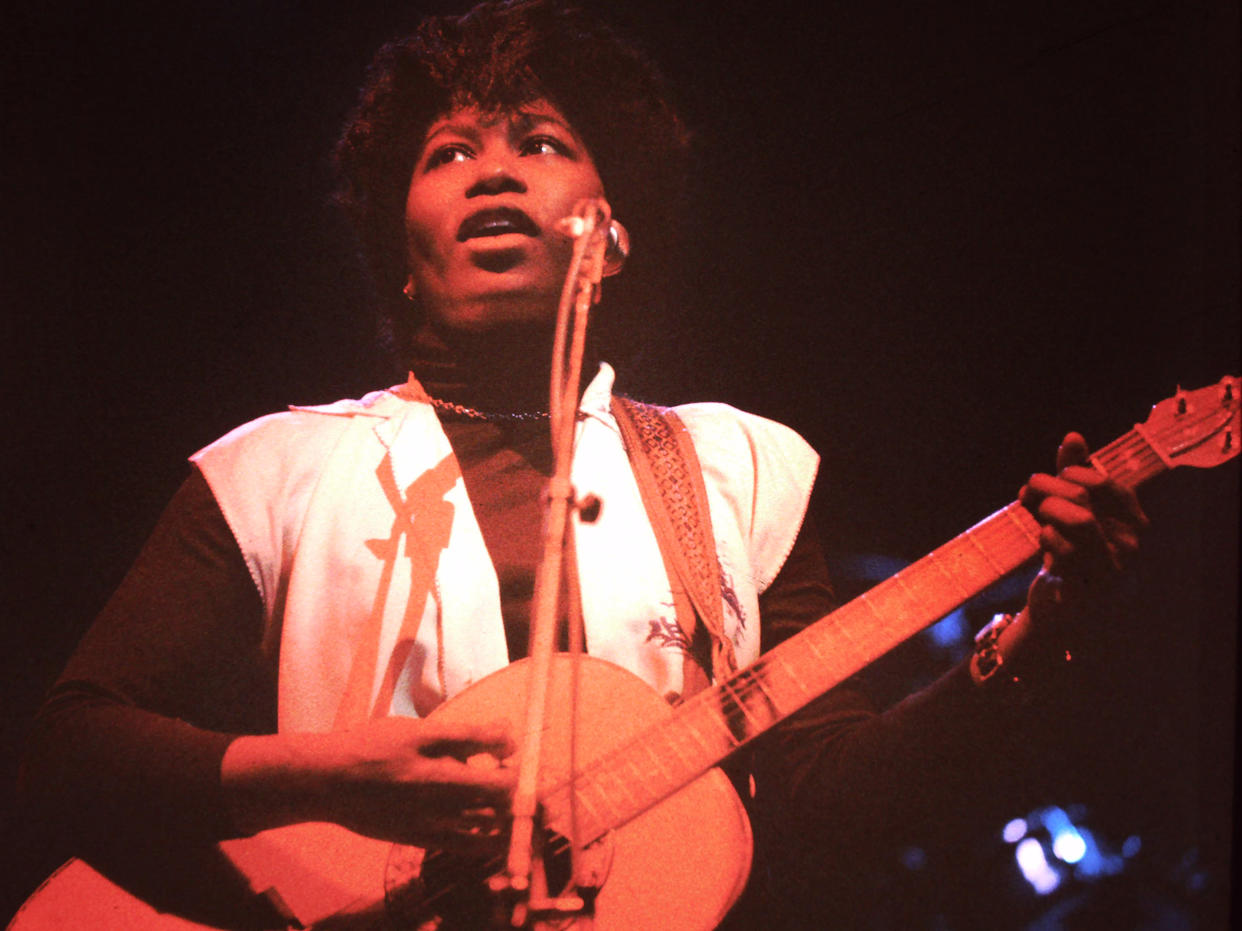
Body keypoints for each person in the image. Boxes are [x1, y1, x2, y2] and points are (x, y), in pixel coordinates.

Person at [17, 1, 1148, 928]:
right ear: (399, 256)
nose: (493, 173)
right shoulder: (274, 469)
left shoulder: (740, 468)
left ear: (615, 233)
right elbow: (68, 745)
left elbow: (826, 790)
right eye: (448, 152)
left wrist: (1041, 633)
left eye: (543, 143)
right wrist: (328, 776)